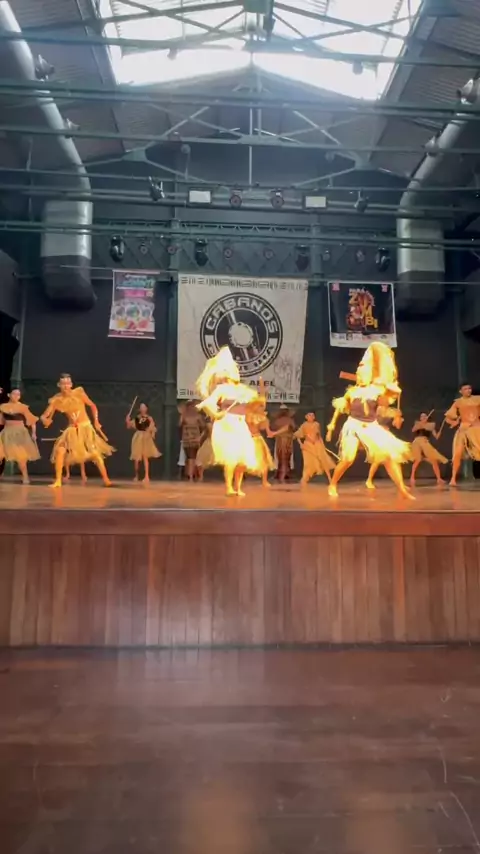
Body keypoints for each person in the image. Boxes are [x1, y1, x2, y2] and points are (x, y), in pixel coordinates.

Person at [326, 342, 413, 499]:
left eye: (362, 373)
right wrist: (331, 425)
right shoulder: (352, 392)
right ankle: (332, 484)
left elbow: (384, 407)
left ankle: (402, 489)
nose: (359, 375)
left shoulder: (377, 391)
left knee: (389, 456)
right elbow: (340, 408)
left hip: (371, 426)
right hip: (353, 425)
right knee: (348, 459)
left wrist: (392, 396)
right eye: (358, 373)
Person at [196, 347, 261, 496]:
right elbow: (208, 403)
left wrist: (256, 401)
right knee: (231, 457)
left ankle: (238, 487)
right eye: (234, 371)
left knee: (243, 460)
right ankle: (229, 487)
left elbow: (255, 402)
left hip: (241, 424)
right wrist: (216, 414)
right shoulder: (222, 389)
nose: (236, 373)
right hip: (227, 424)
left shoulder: (243, 390)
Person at [40, 373, 114, 488]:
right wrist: (45, 420)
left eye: (68, 383)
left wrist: (96, 421)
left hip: (85, 428)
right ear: (59, 385)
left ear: (71, 384)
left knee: (95, 453)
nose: (66, 386)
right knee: (60, 451)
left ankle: (106, 479)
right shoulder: (57, 399)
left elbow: (92, 405)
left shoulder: (79, 393)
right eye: (63, 384)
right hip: (71, 430)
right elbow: (45, 415)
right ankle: (58, 481)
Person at [0, 388, 39, 484]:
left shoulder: (22, 407)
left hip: (19, 433)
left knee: (21, 456)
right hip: (7, 432)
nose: (16, 396)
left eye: (18, 395)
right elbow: (1, 421)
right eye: (14, 394)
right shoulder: (3, 407)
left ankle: (25, 476)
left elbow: (32, 421)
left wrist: (34, 433)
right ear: (9, 395)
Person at [445, 383, 480, 486]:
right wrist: (454, 422)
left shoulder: (478, 399)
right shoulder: (458, 402)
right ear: (461, 391)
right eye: (465, 389)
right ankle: (453, 479)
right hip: (463, 429)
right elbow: (448, 418)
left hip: (476, 428)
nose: (468, 390)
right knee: (457, 453)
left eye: (469, 388)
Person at [365, 406, 404, 490]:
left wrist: (398, 419)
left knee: (395, 458)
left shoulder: (392, 411)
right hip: (377, 434)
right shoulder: (378, 409)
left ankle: (401, 484)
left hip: (387, 434)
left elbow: (397, 426)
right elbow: (376, 418)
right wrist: (394, 414)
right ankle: (369, 480)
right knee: (378, 459)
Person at [294, 412, 336, 486]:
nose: (311, 417)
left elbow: (318, 435)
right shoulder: (304, 425)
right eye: (309, 416)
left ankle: (330, 479)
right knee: (308, 463)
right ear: (306, 417)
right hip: (308, 446)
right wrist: (301, 444)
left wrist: (322, 444)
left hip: (317, 444)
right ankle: (304, 479)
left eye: (312, 415)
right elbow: (297, 435)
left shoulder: (317, 424)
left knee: (323, 460)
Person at [126, 402, 161, 483]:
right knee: (136, 458)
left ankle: (146, 476)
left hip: (146, 438)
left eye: (144, 407)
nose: (142, 408)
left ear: (146, 408)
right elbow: (129, 426)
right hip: (138, 438)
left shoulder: (149, 418)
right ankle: (136, 475)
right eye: (141, 407)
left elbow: (152, 428)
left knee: (145, 457)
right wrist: (127, 420)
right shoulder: (137, 418)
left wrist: (151, 433)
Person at [246, 400, 277, 488]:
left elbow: (267, 431)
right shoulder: (246, 415)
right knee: (243, 459)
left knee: (264, 460)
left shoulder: (262, 417)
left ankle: (264, 481)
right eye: (259, 406)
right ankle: (238, 480)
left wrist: (272, 432)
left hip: (257, 438)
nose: (260, 408)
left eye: (261, 407)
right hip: (247, 438)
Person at [410, 412, 447, 486]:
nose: (423, 417)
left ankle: (439, 479)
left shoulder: (430, 426)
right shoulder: (418, 424)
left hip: (425, 442)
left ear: (427, 418)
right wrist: (421, 425)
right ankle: (412, 477)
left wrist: (438, 434)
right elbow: (413, 430)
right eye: (422, 416)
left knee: (434, 460)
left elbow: (436, 436)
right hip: (417, 442)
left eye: (425, 416)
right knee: (417, 459)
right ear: (420, 418)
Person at [178, 400, 205, 482]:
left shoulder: (198, 417)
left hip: (196, 439)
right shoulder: (184, 416)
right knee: (190, 458)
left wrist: (200, 437)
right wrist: (182, 415)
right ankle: (190, 476)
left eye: (192, 406)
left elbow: (204, 428)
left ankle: (197, 476)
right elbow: (179, 425)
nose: (191, 408)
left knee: (196, 458)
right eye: (189, 406)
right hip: (187, 439)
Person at [271, 404, 296, 482]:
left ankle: (284, 473)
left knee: (283, 457)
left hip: (285, 439)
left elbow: (293, 428)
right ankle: (283, 473)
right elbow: (293, 428)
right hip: (283, 439)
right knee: (283, 457)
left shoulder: (283, 420)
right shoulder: (288, 420)